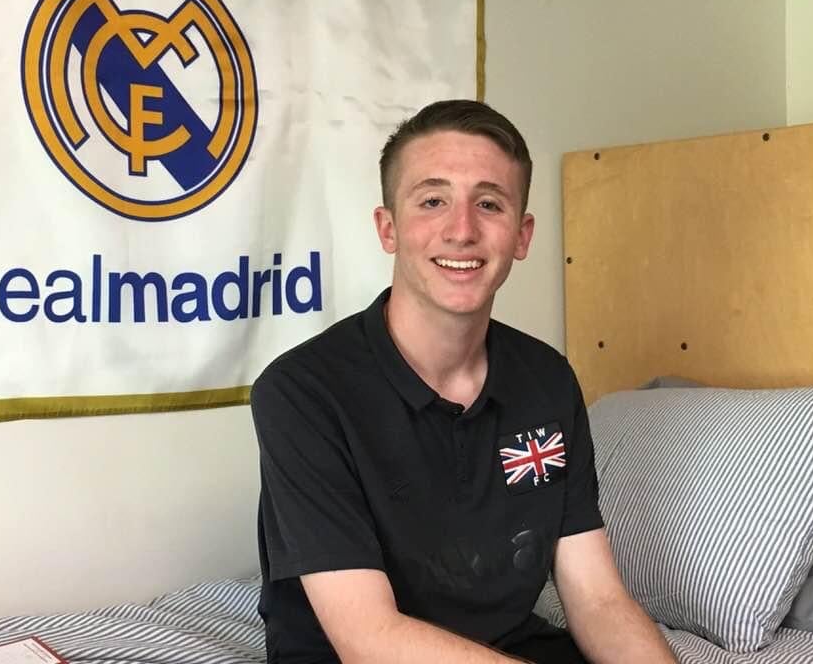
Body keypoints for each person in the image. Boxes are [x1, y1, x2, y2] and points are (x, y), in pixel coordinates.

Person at [252, 99, 677, 663]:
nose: (462, 230)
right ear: (389, 227)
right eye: (433, 201)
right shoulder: (302, 392)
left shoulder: (546, 379)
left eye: (489, 203)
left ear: (521, 237)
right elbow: (368, 639)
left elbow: (597, 599)